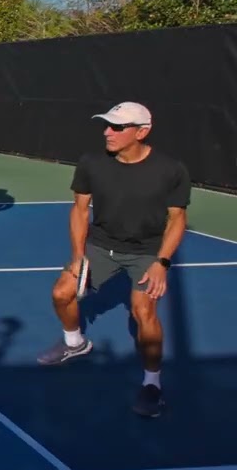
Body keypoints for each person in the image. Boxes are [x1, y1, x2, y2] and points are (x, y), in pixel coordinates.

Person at [36, 102, 190, 418]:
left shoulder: (171, 170)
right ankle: (75, 342)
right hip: (100, 246)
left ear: (142, 131)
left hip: (146, 251)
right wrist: (78, 257)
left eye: (117, 127)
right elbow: (79, 210)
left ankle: (152, 384)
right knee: (61, 293)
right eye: (107, 125)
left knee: (143, 310)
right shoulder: (91, 163)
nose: (108, 132)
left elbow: (177, 219)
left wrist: (162, 262)